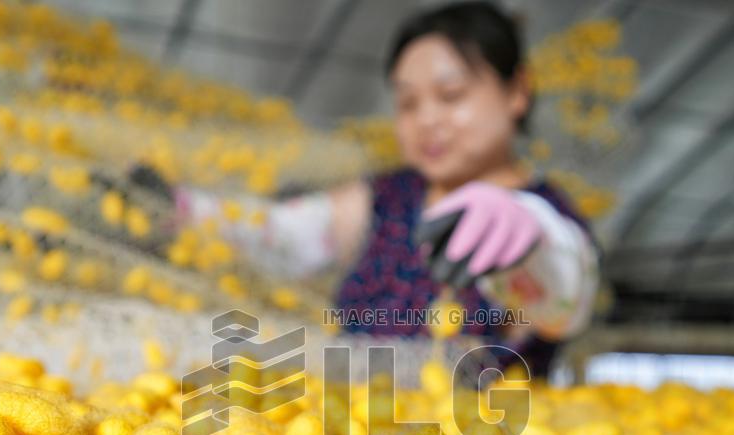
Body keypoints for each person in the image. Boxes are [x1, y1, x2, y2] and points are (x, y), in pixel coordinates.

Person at [169, 1, 599, 378]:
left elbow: (566, 304)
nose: (426, 119)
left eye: (451, 95)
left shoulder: (550, 216)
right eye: (408, 103)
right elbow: (281, 234)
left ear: (517, 92)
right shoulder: (388, 196)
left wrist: (536, 238)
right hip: (355, 433)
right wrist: (181, 211)